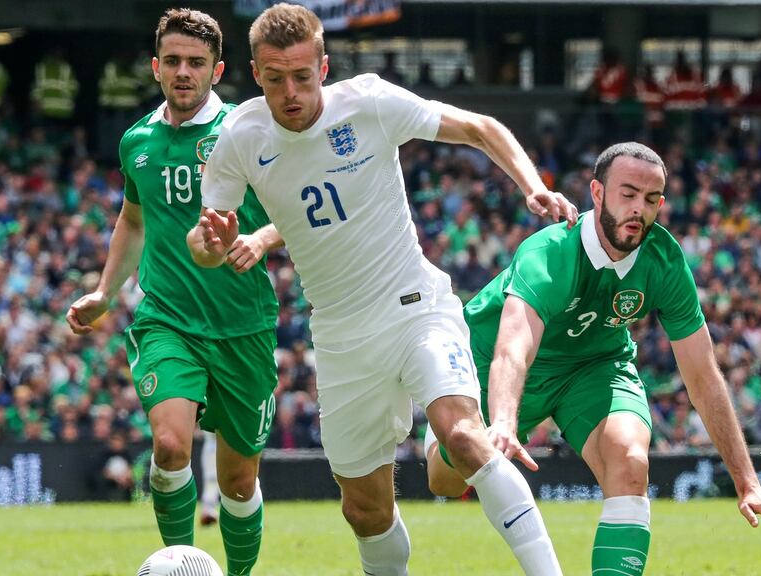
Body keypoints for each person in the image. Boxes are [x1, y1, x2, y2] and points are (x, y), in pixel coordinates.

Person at [191, 4, 577, 574]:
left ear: (324, 67)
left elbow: (480, 127)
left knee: (464, 434)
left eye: (302, 76)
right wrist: (214, 243)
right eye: (275, 79)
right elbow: (205, 243)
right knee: (365, 511)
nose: (291, 92)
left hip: (415, 306)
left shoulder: (368, 101)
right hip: (342, 336)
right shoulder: (240, 138)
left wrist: (531, 186)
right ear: (255, 74)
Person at [426, 142, 761, 575]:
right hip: (491, 360)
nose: (638, 210)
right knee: (446, 478)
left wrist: (747, 482)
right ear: (598, 192)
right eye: (627, 194)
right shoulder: (550, 251)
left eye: (650, 200)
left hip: (595, 366)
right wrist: (506, 422)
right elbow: (514, 347)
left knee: (629, 459)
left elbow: (702, 375)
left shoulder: (664, 260)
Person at [66, 9, 283, 576]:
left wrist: (259, 239)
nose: (184, 72)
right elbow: (132, 222)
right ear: (155, 67)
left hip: (245, 326)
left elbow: (294, 210)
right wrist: (104, 292)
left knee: (238, 483)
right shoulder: (136, 141)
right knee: (169, 448)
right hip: (167, 319)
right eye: (175, 62)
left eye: (197, 63)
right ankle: (180, 567)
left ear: (218, 70)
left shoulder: (247, 132)